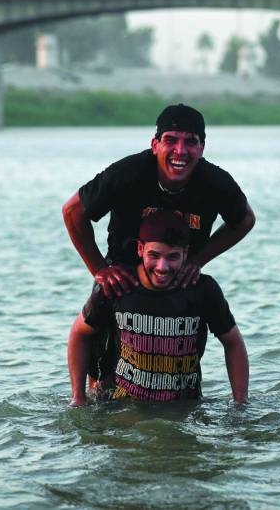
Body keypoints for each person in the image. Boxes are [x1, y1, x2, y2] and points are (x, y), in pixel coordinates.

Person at [62, 103, 255, 296]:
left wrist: (197, 261)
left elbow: (245, 220)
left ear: (202, 148)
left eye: (190, 142)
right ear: (155, 145)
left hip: (179, 279)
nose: (180, 151)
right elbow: (72, 211)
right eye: (170, 140)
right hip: (124, 281)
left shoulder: (215, 182)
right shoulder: (127, 174)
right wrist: (100, 270)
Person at [67, 210, 249, 405]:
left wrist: (240, 404)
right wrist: (78, 398)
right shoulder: (119, 286)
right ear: (140, 249)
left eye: (173, 257)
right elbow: (79, 334)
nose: (162, 267)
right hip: (125, 407)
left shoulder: (203, 290)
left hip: (184, 407)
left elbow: (233, 342)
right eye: (154, 255)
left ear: (185, 253)